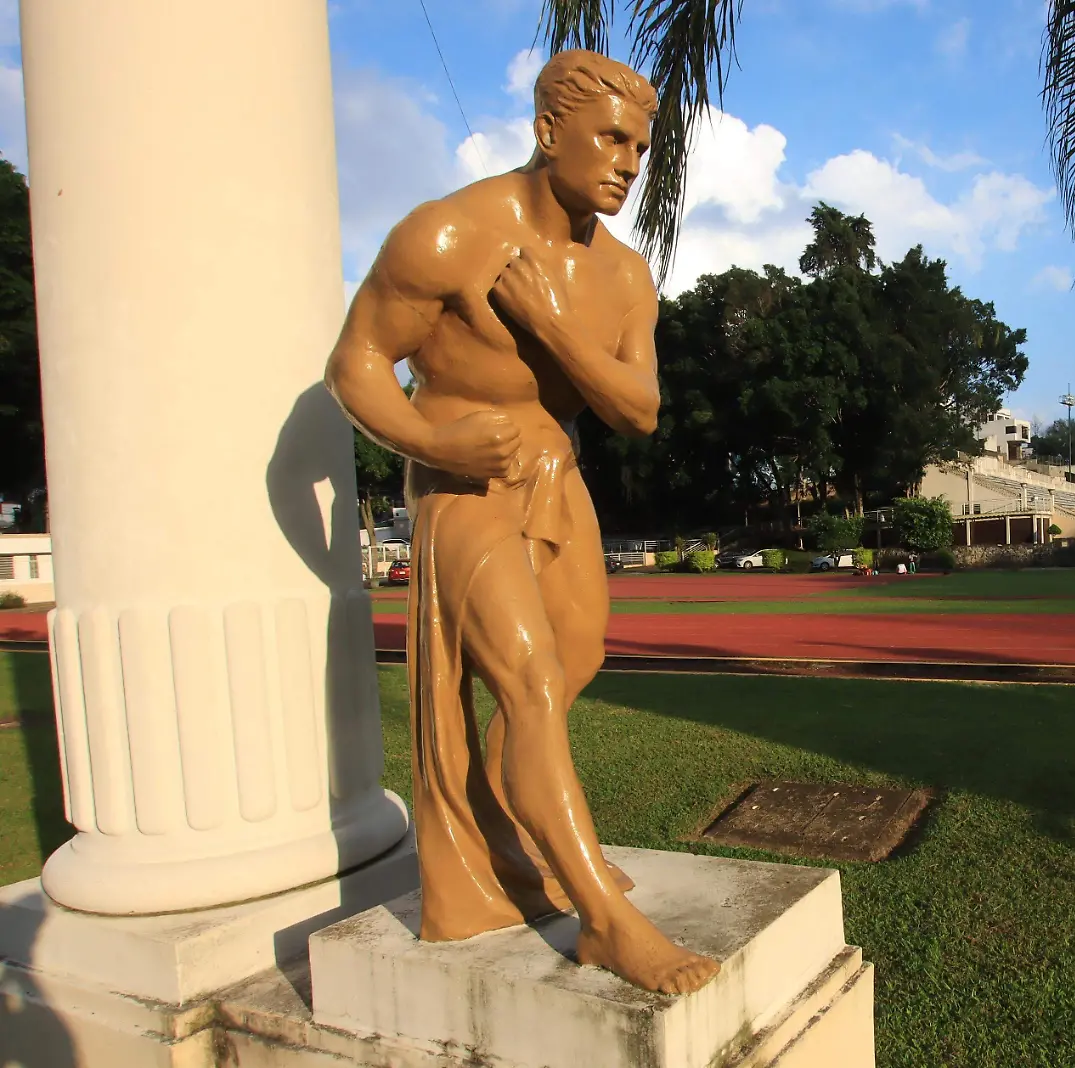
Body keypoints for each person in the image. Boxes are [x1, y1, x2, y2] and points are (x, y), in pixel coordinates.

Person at [325, 50, 717, 996]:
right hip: (463, 482)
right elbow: (358, 365)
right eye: (613, 141)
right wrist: (432, 443)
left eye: (642, 147)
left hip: (555, 476)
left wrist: (550, 325)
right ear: (550, 134)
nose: (630, 163)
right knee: (533, 684)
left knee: (571, 664)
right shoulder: (448, 235)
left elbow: (639, 409)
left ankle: (511, 846)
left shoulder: (623, 275)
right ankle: (606, 919)